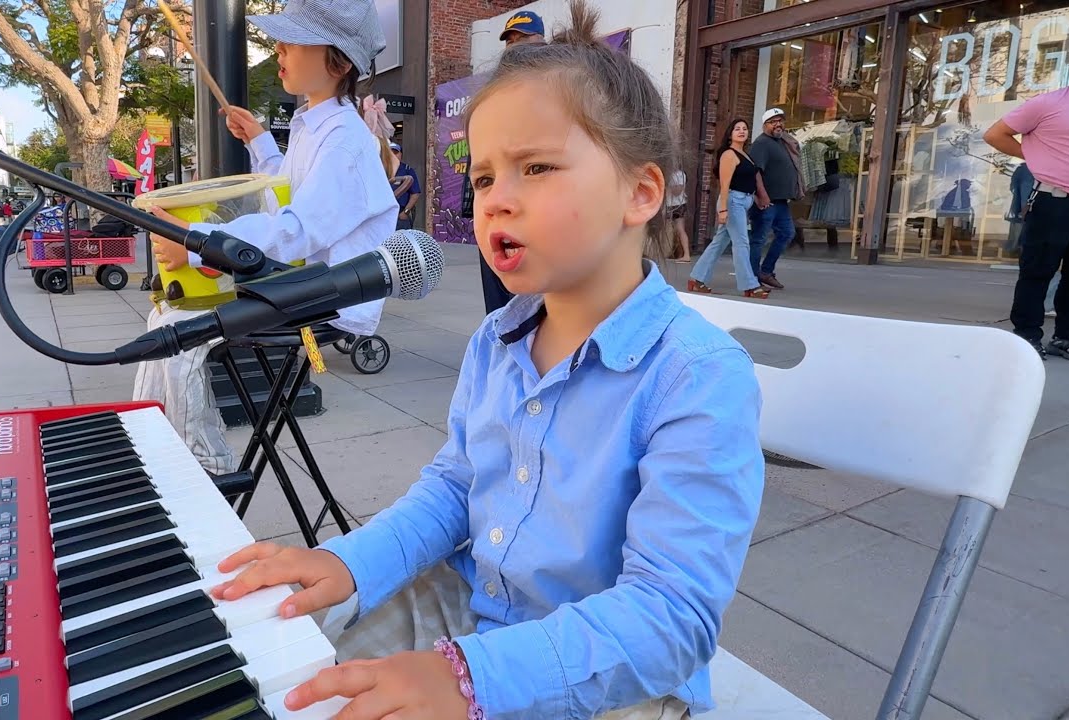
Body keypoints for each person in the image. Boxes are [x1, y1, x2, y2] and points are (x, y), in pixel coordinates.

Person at [208, 3, 764, 719]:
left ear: (640, 192)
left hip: (611, 672)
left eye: (536, 167)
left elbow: (670, 618)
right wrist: (352, 562)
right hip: (470, 604)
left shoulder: (696, 375)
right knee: (291, 670)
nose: (499, 199)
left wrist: (472, 678)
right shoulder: (497, 340)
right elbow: (453, 488)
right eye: (482, 179)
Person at [137, 0, 397, 473]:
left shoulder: (342, 140)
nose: (278, 48)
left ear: (336, 59)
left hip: (327, 296)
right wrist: (260, 141)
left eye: (293, 40)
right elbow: (287, 197)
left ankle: (198, 464)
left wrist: (197, 242)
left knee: (177, 330)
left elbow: (295, 229)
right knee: (170, 321)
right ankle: (161, 447)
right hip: (302, 282)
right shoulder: (316, 123)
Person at [984, 77, 1069, 360]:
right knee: (1038, 271)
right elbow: (994, 134)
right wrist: (1035, 155)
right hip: (1052, 200)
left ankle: (1066, 337)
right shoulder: (1048, 103)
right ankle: (1026, 336)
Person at [466, 10, 547, 315]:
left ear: (541, 40)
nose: (516, 45)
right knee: (499, 303)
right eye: (510, 40)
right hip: (496, 214)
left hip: (533, 210)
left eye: (523, 38)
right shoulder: (491, 97)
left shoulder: (555, 92)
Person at [687, 119, 769, 298]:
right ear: (730, 133)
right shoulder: (729, 154)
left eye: (745, 128)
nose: (741, 131)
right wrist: (723, 209)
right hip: (733, 201)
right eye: (737, 129)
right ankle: (750, 285)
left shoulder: (745, 155)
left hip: (743, 201)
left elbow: (749, 180)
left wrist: (757, 197)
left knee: (719, 242)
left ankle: (696, 278)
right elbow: (724, 184)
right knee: (741, 243)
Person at [746, 108, 802, 289]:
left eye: (780, 120)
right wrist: (762, 195)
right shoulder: (762, 144)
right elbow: (755, 172)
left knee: (787, 233)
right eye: (773, 121)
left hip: (780, 201)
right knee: (758, 239)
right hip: (767, 201)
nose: (778, 124)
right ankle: (753, 278)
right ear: (765, 125)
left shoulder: (783, 142)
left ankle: (766, 271)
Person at [390, 143, 422, 230]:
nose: (393, 155)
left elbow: (415, 194)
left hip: (400, 213)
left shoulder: (407, 170)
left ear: (401, 154)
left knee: (401, 242)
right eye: (390, 152)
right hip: (383, 213)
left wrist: (406, 212)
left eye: (396, 152)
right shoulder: (381, 169)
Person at [666, 169, 690, 261]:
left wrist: (667, 187)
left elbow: (678, 192)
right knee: (665, 229)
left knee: (680, 229)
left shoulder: (679, 174)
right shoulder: (668, 172)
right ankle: (667, 252)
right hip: (667, 204)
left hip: (677, 204)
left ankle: (686, 255)